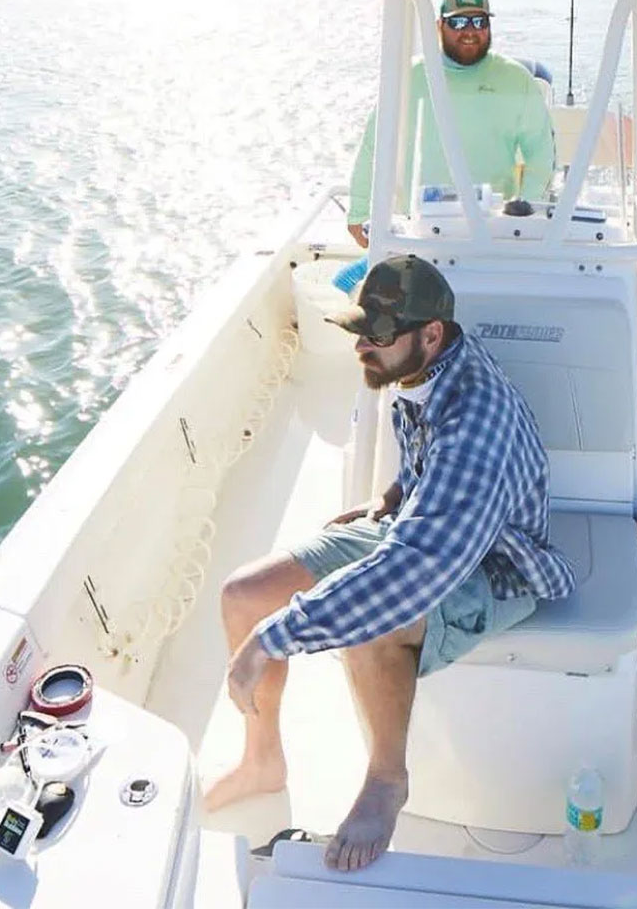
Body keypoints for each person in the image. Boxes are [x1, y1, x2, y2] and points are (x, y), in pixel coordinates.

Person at [204, 255, 576, 872]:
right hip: (420, 526)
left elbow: (412, 573)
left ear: (430, 333)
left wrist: (276, 638)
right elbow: (422, 459)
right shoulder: (425, 367)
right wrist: (392, 496)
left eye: (376, 337)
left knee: (375, 620)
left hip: (495, 566)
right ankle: (261, 760)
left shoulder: (476, 418)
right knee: (243, 596)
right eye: (357, 332)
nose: (361, 350)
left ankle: (386, 779)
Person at [346, 0, 556, 247]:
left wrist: (525, 211)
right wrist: (360, 212)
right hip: (419, 231)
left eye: (479, 21)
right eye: (457, 22)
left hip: (495, 231)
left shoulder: (516, 79)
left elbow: (541, 152)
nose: (469, 31)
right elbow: (374, 146)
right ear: (439, 26)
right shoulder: (406, 77)